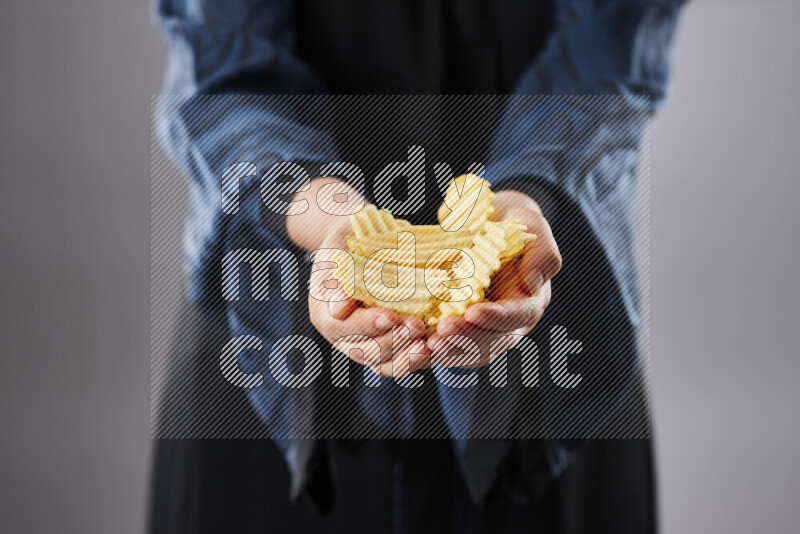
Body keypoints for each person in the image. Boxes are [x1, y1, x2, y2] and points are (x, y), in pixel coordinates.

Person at [150, 1, 685, 532]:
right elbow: (224, 63)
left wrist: (528, 200)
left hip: (547, 346)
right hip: (273, 343)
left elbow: (609, 48)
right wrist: (323, 214)